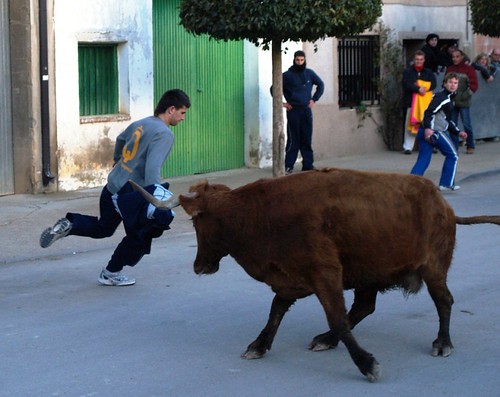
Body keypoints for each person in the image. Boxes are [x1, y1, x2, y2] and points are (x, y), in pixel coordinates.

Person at [39, 89, 191, 286]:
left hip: (114, 184)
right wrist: (156, 200)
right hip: (132, 193)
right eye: (182, 113)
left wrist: (117, 161)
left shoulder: (141, 123)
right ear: (171, 109)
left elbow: (120, 139)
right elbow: (153, 169)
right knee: (141, 234)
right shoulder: (164, 134)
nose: (182, 118)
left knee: (104, 228)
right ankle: (111, 272)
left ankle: (69, 226)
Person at [410, 72, 467, 192]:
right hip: (435, 131)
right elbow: (429, 112)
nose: (453, 85)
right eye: (450, 82)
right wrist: (428, 129)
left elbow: (447, 120)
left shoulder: (447, 98)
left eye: (455, 83)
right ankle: (446, 183)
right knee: (453, 155)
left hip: (425, 129)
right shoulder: (444, 98)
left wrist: (458, 132)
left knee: (424, 158)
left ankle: (410, 184)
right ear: (444, 83)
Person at [281, 50, 324, 174]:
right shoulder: (287, 75)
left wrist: (314, 100)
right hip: (293, 110)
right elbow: (274, 88)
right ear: (294, 60)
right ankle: (288, 165)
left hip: (306, 110)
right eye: (297, 60)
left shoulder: (309, 74)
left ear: (304, 60)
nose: (299, 62)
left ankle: (308, 165)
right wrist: (283, 103)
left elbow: (321, 84)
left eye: (302, 60)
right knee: (293, 139)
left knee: (306, 138)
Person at [401, 50, 436, 154]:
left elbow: (433, 84)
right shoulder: (408, 72)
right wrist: (417, 89)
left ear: (424, 60)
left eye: (421, 59)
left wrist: (424, 88)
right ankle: (407, 147)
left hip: (426, 103)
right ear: (414, 60)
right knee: (410, 124)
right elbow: (406, 84)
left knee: (429, 125)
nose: (419, 61)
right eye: (417, 59)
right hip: (411, 102)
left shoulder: (428, 72)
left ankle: (431, 144)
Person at [446, 49, 478, 154]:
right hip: (452, 101)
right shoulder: (450, 69)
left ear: (462, 57)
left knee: (466, 123)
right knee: (452, 124)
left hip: (464, 101)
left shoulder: (469, 69)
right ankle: (454, 146)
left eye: (457, 56)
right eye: (453, 57)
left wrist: (463, 96)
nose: (455, 58)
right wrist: (450, 95)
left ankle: (470, 145)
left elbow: (473, 86)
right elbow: (445, 83)